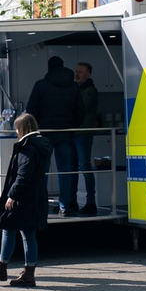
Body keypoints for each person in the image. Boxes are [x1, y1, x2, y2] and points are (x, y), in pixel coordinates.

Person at [0, 113, 53, 287]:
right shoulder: (41, 144)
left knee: (9, 227)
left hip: (23, 197)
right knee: (27, 233)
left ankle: (3, 268)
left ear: (22, 129)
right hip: (34, 195)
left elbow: (23, 173)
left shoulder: (28, 147)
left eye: (17, 129)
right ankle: (26, 272)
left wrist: (13, 194)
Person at [26, 56, 84, 217]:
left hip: (45, 133)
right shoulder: (73, 86)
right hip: (65, 133)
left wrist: (36, 129)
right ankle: (64, 206)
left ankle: (41, 205)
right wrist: (72, 127)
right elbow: (80, 110)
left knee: (42, 171)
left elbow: (31, 110)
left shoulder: (41, 85)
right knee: (65, 171)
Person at [74, 62, 99, 216]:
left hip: (83, 133)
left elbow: (82, 108)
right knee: (76, 167)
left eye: (81, 72)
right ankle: (74, 200)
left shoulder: (90, 90)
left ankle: (91, 201)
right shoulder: (78, 89)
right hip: (76, 132)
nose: (77, 74)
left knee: (84, 166)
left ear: (88, 74)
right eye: (76, 71)